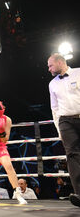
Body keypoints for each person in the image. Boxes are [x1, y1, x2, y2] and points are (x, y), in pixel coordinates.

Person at [47, 53, 80, 207]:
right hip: (65, 121)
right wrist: (59, 129)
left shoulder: (78, 73)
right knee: (72, 156)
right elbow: (54, 108)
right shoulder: (52, 84)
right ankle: (79, 193)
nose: (49, 69)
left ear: (60, 62)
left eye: (50, 65)